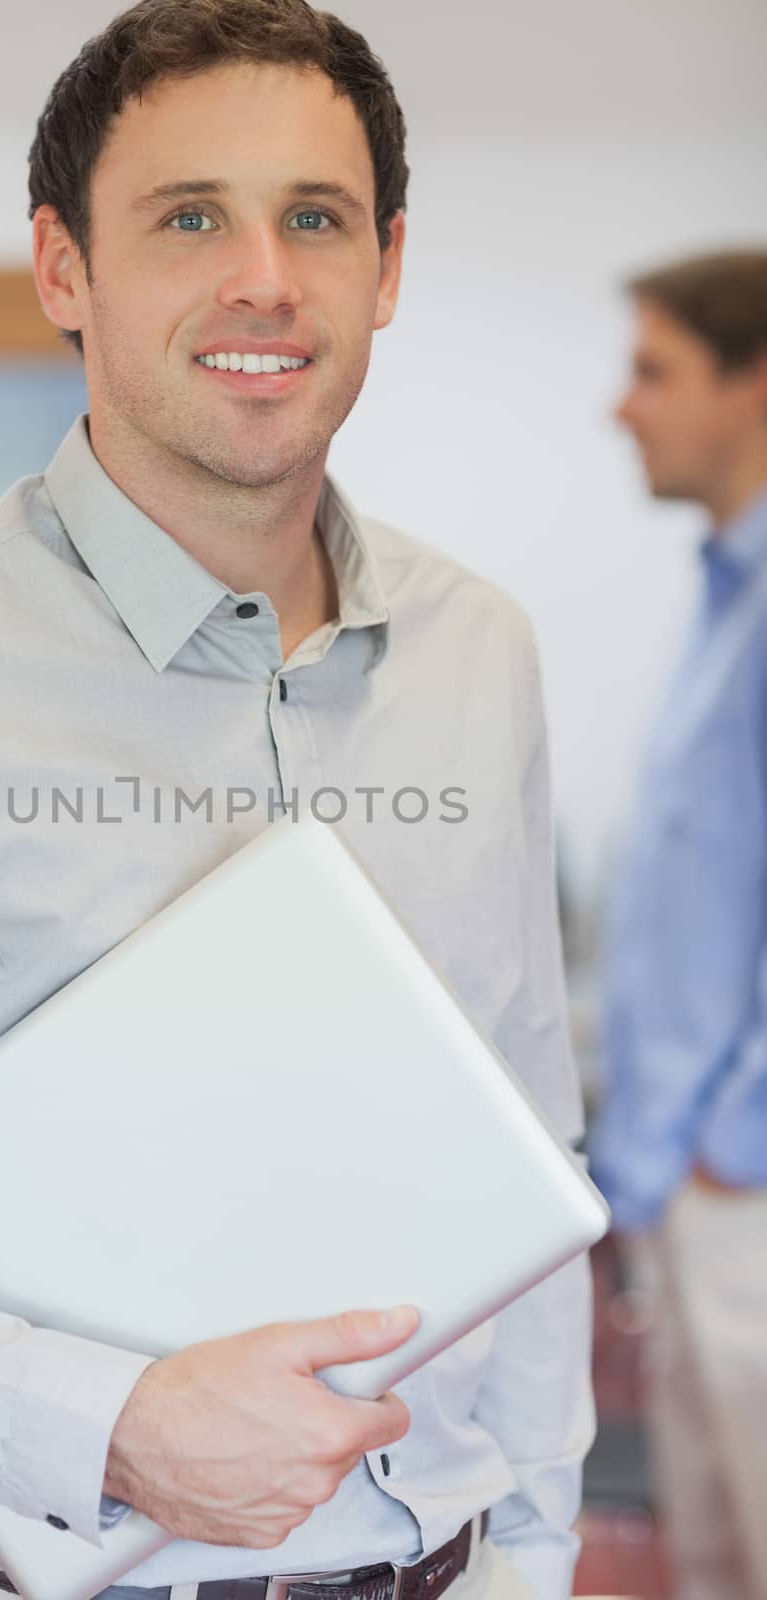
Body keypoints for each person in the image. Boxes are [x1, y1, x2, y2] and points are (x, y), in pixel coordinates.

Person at [0, 5, 592, 1599]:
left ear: (384, 266)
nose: (261, 277)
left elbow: (524, 1146)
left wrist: (531, 1546)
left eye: (311, 218)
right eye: (188, 218)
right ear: (62, 268)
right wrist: (102, 1421)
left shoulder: (478, 655)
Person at [591, 249, 767, 1600]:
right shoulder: (724, 600)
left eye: (652, 372)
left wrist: (729, 1143)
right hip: (692, 1203)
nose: (619, 408)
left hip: (744, 1191)